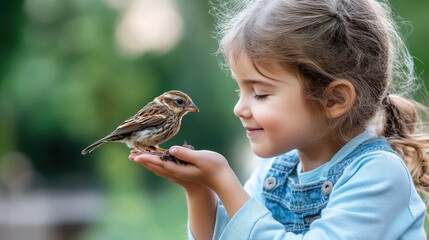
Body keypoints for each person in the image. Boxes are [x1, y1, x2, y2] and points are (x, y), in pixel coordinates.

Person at [129, 0, 429, 239]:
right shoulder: (275, 172)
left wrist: (224, 181)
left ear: (334, 100)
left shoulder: (378, 174)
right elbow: (228, 235)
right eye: (240, 89)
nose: (239, 108)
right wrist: (199, 189)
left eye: (259, 93)